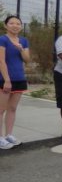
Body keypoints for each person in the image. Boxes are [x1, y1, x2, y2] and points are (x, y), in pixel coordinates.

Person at [0, 15, 31, 149]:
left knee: (12, 108)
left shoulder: (23, 41)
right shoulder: (2, 39)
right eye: (11, 23)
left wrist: (21, 49)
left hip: (19, 78)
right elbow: (1, 61)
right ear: (6, 25)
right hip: (4, 79)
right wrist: (7, 80)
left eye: (18, 23)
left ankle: (9, 135)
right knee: (1, 109)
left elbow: (27, 59)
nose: (15, 26)